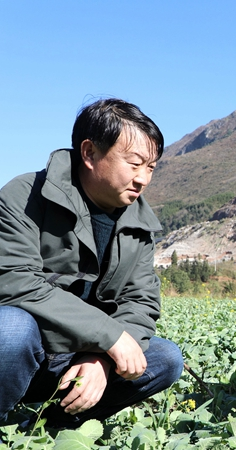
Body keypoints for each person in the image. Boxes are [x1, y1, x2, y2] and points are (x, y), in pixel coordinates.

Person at [0, 98, 184, 428]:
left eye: (151, 167)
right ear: (90, 153)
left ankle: (46, 430)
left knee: (165, 358)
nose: (143, 179)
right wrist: (109, 336)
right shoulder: (24, 196)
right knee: (11, 329)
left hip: (78, 357)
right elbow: (15, 281)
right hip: (27, 351)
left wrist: (101, 358)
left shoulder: (139, 224)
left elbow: (140, 302)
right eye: (134, 164)